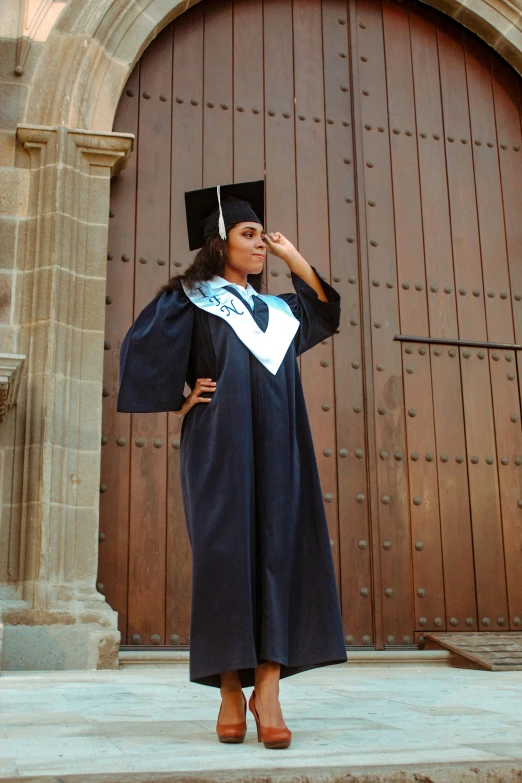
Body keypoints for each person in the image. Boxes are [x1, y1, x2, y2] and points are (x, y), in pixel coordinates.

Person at [117, 179, 347, 750]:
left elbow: (325, 310)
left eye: (261, 237)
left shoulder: (278, 310)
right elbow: (139, 348)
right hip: (218, 445)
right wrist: (180, 396)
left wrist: (294, 255)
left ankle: (267, 689)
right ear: (220, 243)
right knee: (224, 558)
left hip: (281, 445)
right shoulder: (191, 300)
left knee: (277, 552)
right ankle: (227, 687)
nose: (260, 245)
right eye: (249, 235)